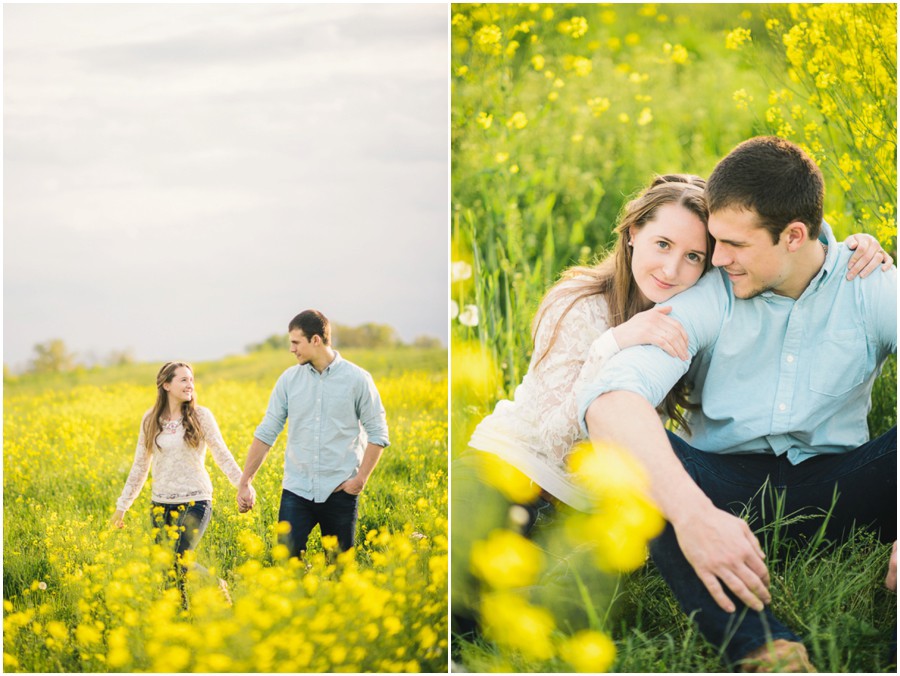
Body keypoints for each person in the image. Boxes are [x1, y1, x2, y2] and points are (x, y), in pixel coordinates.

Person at [451, 174, 889, 636]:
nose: (671, 269)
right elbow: (556, 440)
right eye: (662, 243)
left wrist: (846, 248)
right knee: (458, 598)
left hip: (591, 508)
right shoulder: (578, 303)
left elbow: (775, 242)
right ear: (632, 233)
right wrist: (613, 343)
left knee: (570, 611)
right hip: (510, 471)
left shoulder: (695, 311)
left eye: (693, 256)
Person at [580, 136, 896, 671]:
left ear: (795, 235)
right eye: (715, 241)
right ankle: (763, 647)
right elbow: (610, 401)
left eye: (735, 245)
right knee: (639, 458)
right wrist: (694, 515)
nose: (717, 258)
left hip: (844, 486)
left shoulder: (869, 284)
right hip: (726, 489)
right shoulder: (713, 291)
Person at [236, 309, 390, 558]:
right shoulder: (288, 380)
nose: (291, 349)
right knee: (287, 566)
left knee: (340, 572)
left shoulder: (357, 379)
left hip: (340, 492)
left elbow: (378, 432)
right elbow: (267, 432)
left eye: (296, 342)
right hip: (297, 491)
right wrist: (245, 481)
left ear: (316, 340)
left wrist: (360, 480)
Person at [112, 361, 243, 606]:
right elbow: (140, 466)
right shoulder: (150, 419)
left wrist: (242, 485)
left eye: (191, 379)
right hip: (161, 505)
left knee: (180, 559)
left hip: (196, 500)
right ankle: (179, 622)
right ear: (166, 384)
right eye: (183, 379)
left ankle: (216, 585)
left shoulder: (201, 416)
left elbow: (221, 453)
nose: (190, 384)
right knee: (168, 573)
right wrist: (123, 507)